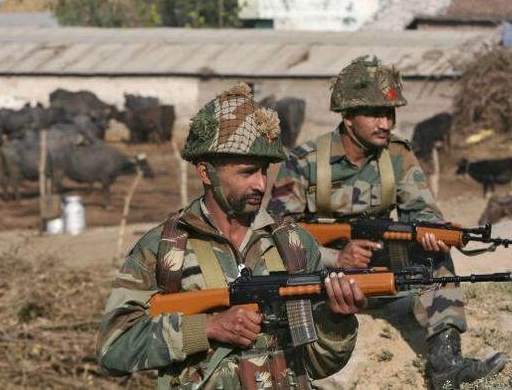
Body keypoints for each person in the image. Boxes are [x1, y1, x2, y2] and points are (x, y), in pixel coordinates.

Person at [97, 83, 366, 389]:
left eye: (264, 171)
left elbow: (319, 364)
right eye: (247, 172)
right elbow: (113, 348)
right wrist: (208, 327)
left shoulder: (294, 244)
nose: (261, 185)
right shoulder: (161, 249)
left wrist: (337, 320)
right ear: (205, 172)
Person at [267, 56, 507, 389]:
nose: (386, 123)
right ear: (348, 118)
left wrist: (432, 232)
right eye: (375, 113)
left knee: (436, 257)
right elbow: (277, 235)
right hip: (320, 276)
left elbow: (422, 210)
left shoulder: (397, 155)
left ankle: (446, 364)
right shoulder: (304, 161)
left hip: (379, 268)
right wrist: (336, 257)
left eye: (390, 114)